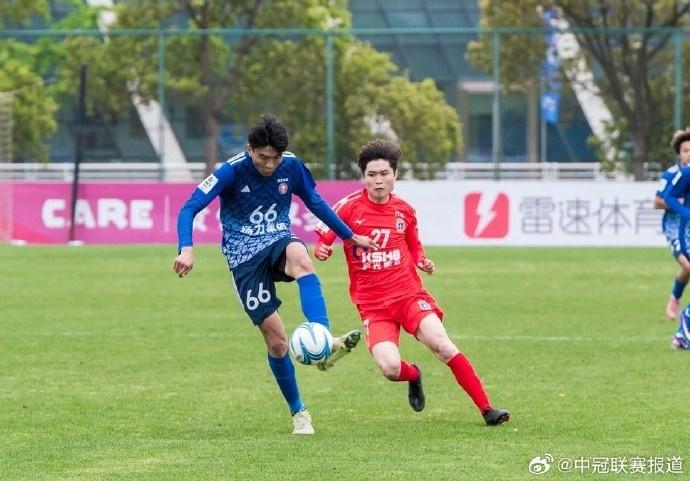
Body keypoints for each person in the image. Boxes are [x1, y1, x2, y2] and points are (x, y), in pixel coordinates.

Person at [173, 114, 378, 435]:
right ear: (250, 149)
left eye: (275, 158)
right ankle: (299, 412)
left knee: (302, 259)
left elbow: (314, 201)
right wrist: (186, 248)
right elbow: (189, 207)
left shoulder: (291, 166)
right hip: (243, 258)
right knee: (278, 341)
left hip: (277, 240)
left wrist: (349, 235)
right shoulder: (231, 170)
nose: (270, 165)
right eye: (263, 157)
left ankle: (323, 339)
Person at [313, 139, 510, 425]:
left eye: (384, 174)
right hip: (373, 306)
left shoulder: (404, 210)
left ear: (395, 174)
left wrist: (421, 260)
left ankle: (487, 409)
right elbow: (324, 238)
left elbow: (414, 245)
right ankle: (414, 374)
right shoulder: (348, 207)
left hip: (408, 296)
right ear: (364, 176)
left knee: (443, 345)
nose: (378, 181)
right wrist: (322, 249)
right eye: (371, 174)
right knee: (390, 368)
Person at [654, 127, 690, 321]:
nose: (689, 154)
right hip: (675, 230)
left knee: (687, 268)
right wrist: (679, 202)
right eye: (685, 151)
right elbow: (657, 202)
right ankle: (679, 309)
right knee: (688, 266)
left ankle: (675, 298)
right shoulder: (671, 175)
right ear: (679, 154)